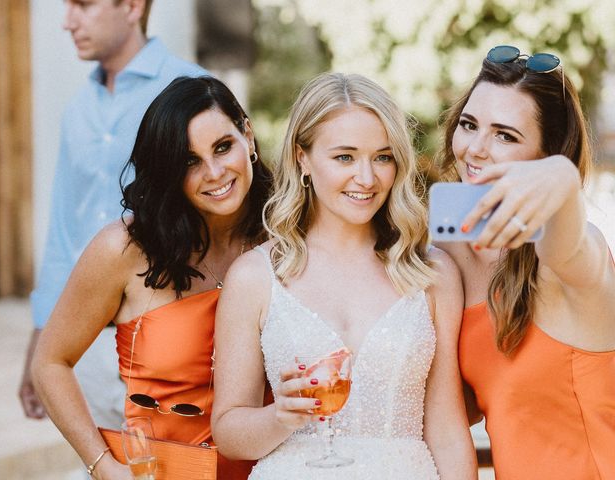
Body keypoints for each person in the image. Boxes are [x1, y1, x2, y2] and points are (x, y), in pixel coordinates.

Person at [211, 72, 477, 479]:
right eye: (344, 157)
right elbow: (228, 432)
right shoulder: (254, 277)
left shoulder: (433, 273)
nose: (367, 178)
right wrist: (279, 417)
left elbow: (447, 431)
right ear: (303, 158)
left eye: (383, 157)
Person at [31, 76, 272, 479]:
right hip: (161, 473)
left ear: (247, 134)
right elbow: (50, 363)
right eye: (189, 161)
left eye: (223, 146)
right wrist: (103, 465)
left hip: (274, 469)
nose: (214, 172)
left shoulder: (287, 236)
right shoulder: (125, 249)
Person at [19, 0, 207, 428]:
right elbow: (64, 230)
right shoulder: (78, 110)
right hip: (85, 348)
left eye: (83, 5)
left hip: (168, 346)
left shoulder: (193, 89)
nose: (68, 21)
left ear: (132, 6)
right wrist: (40, 343)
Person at [436, 45, 615, 479]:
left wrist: (562, 179)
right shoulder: (452, 251)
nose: (475, 149)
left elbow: (568, 246)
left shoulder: (571, 255)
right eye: (469, 125)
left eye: (505, 135)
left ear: (545, 153)